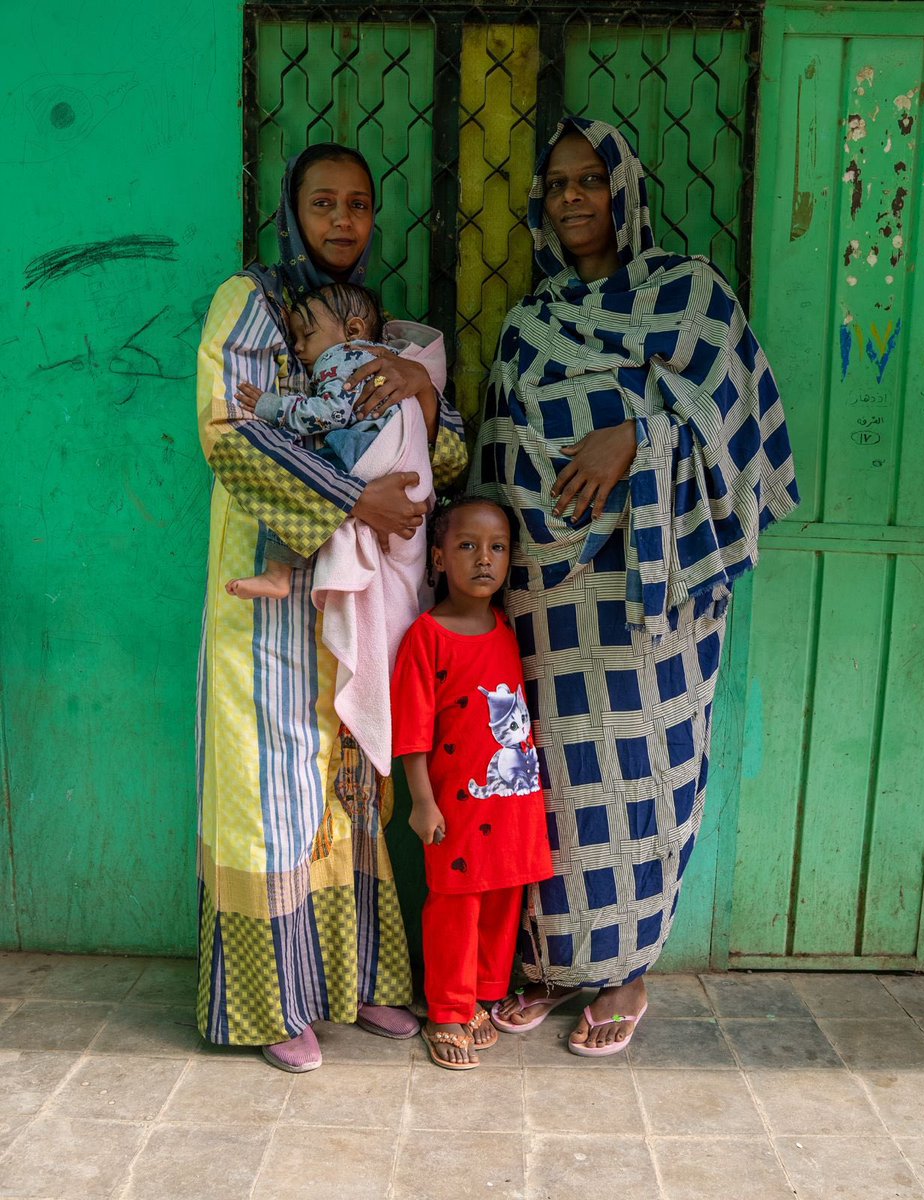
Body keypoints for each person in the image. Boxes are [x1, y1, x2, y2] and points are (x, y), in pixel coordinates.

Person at [471, 117, 798, 1056]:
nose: (572, 197)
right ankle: (545, 961)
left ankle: (624, 971)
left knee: (643, 774)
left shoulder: (691, 298)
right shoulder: (530, 323)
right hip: (548, 595)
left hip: (657, 594)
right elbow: (500, 449)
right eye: (557, 183)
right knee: (555, 780)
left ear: (625, 191)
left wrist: (640, 440)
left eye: (590, 179)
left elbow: (741, 431)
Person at [196, 142, 467, 1072]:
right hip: (269, 599)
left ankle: (351, 983)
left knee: (348, 793)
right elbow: (228, 426)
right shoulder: (255, 303)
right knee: (274, 795)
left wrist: (424, 396)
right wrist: (355, 498)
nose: (341, 221)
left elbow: (449, 451)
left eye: (357, 204)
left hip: (356, 598)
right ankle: (272, 1006)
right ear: (290, 210)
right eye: (322, 203)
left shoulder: (375, 322)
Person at [390, 497, 553, 1070]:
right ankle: (446, 1010)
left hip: (514, 803)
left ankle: (482, 997)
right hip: (455, 807)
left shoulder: (512, 630)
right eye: (466, 546)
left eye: (497, 548)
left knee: (504, 900)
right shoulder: (426, 637)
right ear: (437, 557)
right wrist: (422, 803)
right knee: (455, 907)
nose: (484, 559)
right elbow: (411, 730)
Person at [227, 282, 411, 601]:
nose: (298, 348)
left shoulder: (339, 357)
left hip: (363, 444)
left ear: (353, 329)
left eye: (307, 336)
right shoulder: (391, 356)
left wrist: (272, 407)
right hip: (398, 449)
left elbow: (330, 414)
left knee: (299, 485)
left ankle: (278, 574)